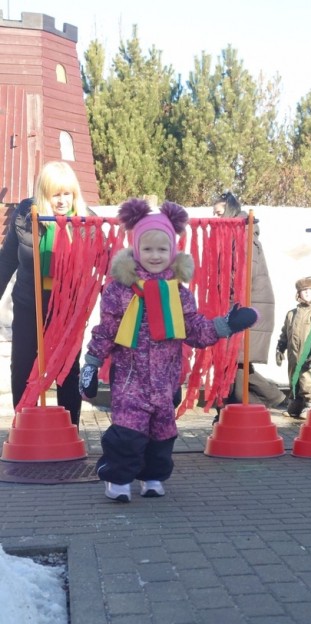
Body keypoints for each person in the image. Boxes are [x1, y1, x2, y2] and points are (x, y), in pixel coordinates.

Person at [80, 198, 257, 503]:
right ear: (136, 249)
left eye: (162, 249)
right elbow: (107, 329)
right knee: (128, 431)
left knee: (162, 432)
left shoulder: (179, 293)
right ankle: (117, 480)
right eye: (147, 248)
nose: (155, 255)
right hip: (130, 379)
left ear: (173, 251)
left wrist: (224, 325)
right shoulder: (120, 290)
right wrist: (91, 363)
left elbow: (194, 329)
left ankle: (152, 476)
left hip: (165, 379)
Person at [0, 161, 88, 426]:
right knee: (23, 366)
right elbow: (7, 261)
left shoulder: (86, 220)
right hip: (29, 304)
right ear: (43, 194)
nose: (61, 201)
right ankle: (25, 426)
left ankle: (69, 429)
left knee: (67, 369)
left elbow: (105, 263)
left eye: (66, 194)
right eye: (54, 194)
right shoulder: (25, 216)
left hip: (67, 309)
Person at [212, 191, 288, 415]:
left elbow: (243, 276)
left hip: (246, 308)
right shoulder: (236, 234)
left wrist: (228, 301)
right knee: (235, 362)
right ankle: (233, 410)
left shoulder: (243, 235)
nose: (216, 218)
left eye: (219, 213)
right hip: (241, 306)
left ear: (230, 211)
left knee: (234, 361)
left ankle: (264, 399)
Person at [276, 276, 311, 419]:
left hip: (309, 355)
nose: (307, 293)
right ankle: (296, 403)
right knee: (294, 378)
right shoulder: (291, 314)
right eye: (304, 291)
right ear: (298, 294)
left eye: (310, 290)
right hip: (294, 355)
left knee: (309, 379)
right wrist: (280, 348)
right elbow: (285, 333)